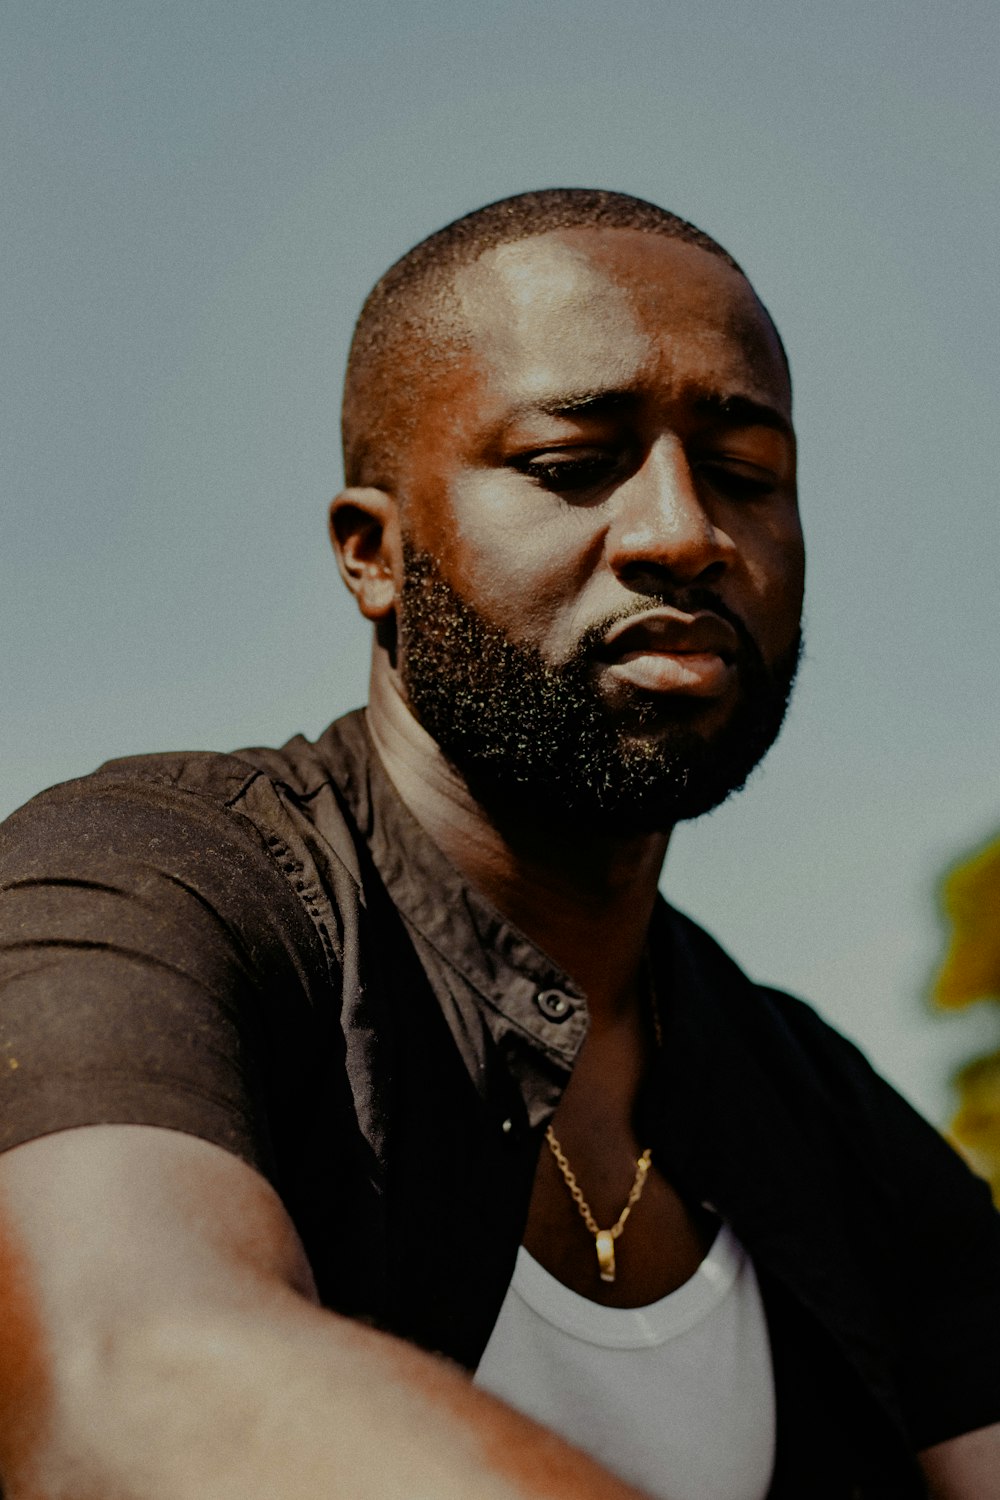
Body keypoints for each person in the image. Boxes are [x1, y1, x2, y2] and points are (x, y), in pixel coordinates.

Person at [0, 188, 997, 1500]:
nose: (684, 533)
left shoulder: (832, 1123)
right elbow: (130, 1376)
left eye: (749, 474)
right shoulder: (137, 888)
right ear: (375, 553)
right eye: (573, 466)